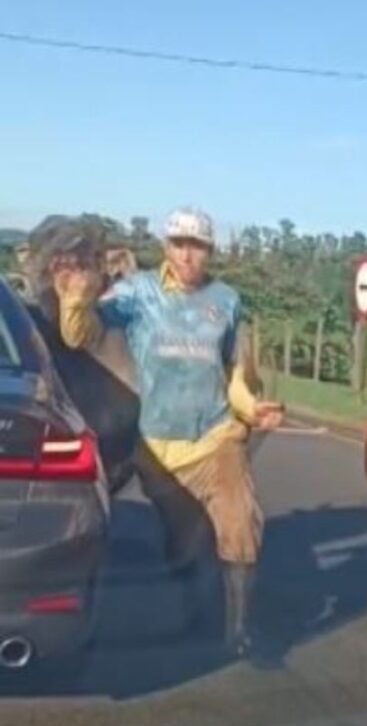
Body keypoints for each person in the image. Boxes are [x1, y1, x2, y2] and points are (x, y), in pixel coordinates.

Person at [53, 208, 284, 662]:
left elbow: (235, 377)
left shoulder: (227, 302)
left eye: (196, 246)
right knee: (186, 540)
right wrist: (75, 301)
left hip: (216, 438)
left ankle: (238, 632)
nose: (187, 254)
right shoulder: (138, 294)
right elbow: (80, 336)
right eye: (179, 244)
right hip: (158, 449)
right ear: (166, 247)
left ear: (209, 252)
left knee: (240, 523)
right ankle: (195, 605)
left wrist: (253, 409)